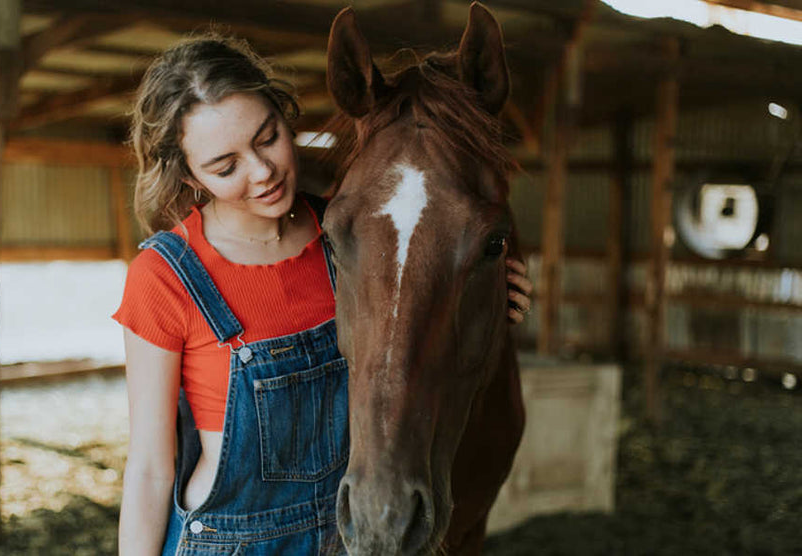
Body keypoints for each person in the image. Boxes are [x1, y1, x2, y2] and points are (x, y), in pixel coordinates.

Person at [112, 35, 533, 556]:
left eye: (268, 137)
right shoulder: (165, 276)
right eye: (226, 166)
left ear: (287, 116)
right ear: (190, 175)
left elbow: (422, 296)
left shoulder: (352, 236)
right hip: (227, 544)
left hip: (341, 539)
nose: (262, 171)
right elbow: (151, 469)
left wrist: (493, 295)